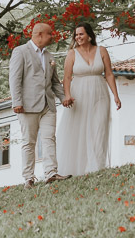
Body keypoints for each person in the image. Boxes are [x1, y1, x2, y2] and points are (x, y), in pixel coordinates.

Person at [56, 22, 122, 176]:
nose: (78, 37)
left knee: (99, 128)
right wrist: (67, 95)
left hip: (100, 93)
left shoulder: (102, 51)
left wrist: (116, 95)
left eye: (81, 34)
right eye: (76, 34)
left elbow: (109, 74)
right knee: (80, 130)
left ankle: (97, 168)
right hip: (79, 94)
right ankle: (77, 169)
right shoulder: (72, 53)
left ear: (89, 35)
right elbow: (66, 77)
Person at [8, 22, 69, 187]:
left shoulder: (49, 56)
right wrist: (17, 102)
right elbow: (14, 79)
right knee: (29, 141)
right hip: (27, 106)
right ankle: (28, 177)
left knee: (49, 138)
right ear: (40, 34)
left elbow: (55, 82)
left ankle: (51, 173)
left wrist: (63, 97)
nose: (52, 37)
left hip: (48, 105)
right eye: (50, 34)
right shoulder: (20, 51)